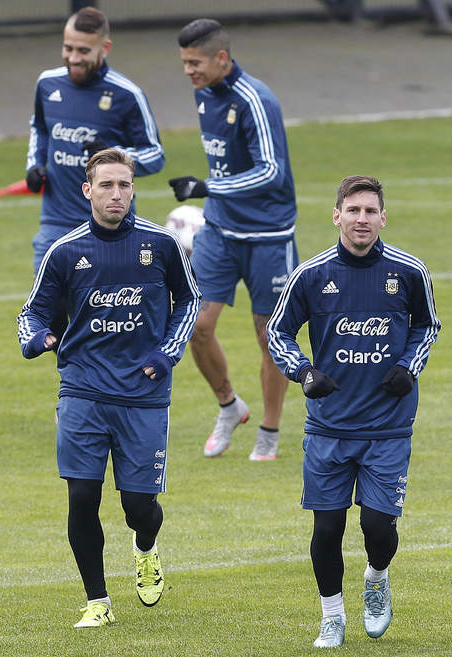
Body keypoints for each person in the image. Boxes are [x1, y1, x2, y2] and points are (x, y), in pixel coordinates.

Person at [16, 149, 201, 628]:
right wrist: (37, 339)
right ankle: (97, 601)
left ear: (133, 189)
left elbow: (189, 301)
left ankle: (145, 547)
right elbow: (31, 312)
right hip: (82, 391)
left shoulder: (161, 244)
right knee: (82, 496)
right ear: (88, 191)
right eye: (105, 185)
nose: (115, 194)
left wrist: (166, 354)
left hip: (143, 395)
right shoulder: (65, 251)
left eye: (123, 185)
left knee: (139, 508)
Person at [266, 176, 440, 648]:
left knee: (377, 528)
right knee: (327, 527)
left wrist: (408, 366)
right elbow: (277, 332)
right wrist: (303, 372)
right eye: (353, 210)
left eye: (370, 211)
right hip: (329, 426)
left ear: (383, 218)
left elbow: (428, 326)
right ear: (337, 216)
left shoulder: (408, 271)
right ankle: (332, 616)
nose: (361, 219)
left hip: (388, 425)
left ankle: (377, 578)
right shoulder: (311, 275)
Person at [171, 18, 298, 462]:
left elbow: (271, 171)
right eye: (184, 62)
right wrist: (213, 195)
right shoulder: (204, 93)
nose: (188, 71)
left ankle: (269, 432)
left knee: (270, 338)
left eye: (195, 62)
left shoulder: (255, 100)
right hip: (219, 232)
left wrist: (208, 187)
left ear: (221, 58)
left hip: (268, 236)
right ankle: (229, 406)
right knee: (196, 326)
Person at [26, 6, 164, 273]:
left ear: (105, 48)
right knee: (46, 300)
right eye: (68, 48)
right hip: (56, 224)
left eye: (83, 51)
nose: (73, 58)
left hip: (111, 227)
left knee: (110, 300)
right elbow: (40, 128)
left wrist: (114, 154)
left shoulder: (127, 94)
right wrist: (34, 164)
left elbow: (155, 155)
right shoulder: (47, 83)